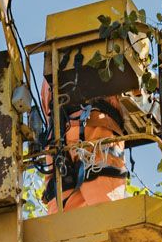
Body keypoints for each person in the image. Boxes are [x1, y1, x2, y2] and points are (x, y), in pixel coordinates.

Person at [40, 82, 129, 213]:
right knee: (108, 214)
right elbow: (135, 88)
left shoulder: (48, 74)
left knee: (63, 224)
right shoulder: (105, 61)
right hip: (96, 130)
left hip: (57, 143)